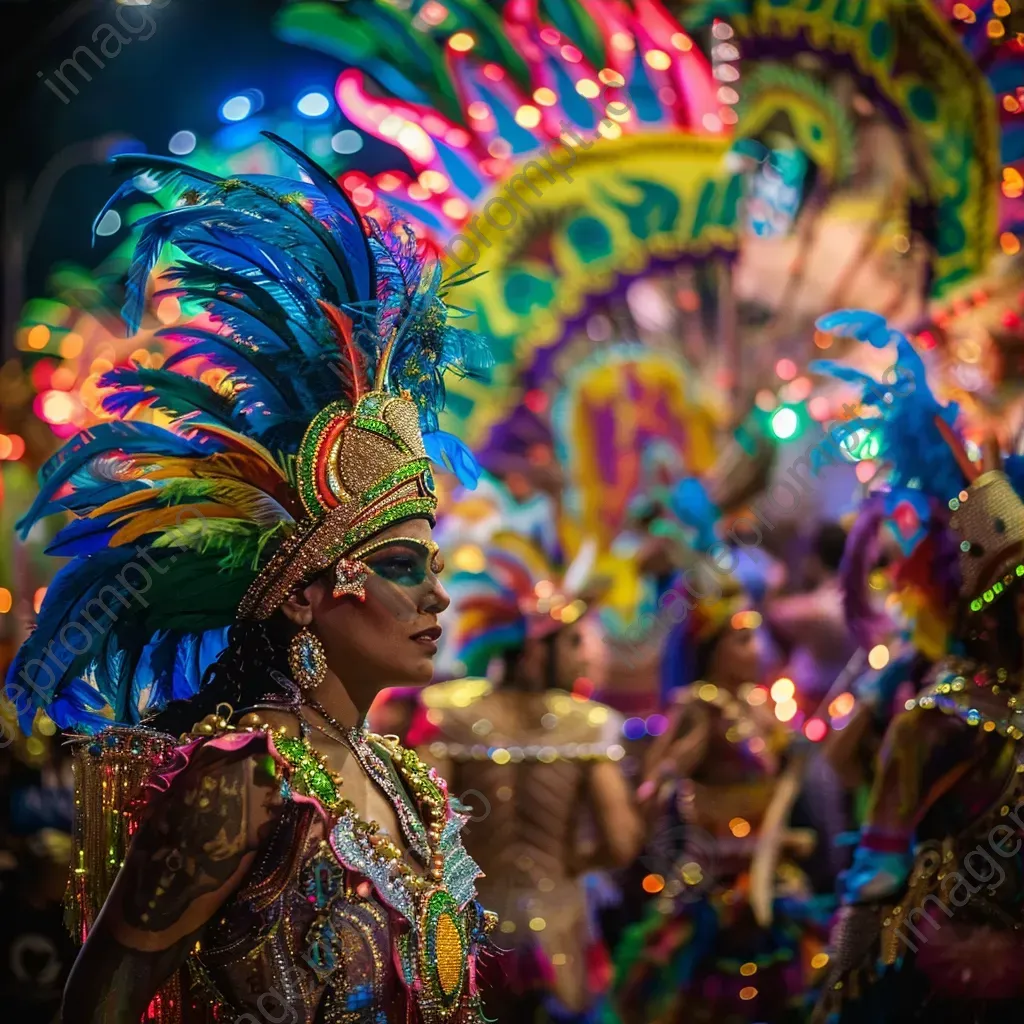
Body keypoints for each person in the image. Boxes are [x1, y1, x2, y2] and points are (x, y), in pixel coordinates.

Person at [4, 134, 498, 1024]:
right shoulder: (244, 782)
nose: (438, 597)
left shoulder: (401, 777)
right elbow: (96, 1008)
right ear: (305, 595)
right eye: (398, 566)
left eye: (433, 568)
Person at [811, 311, 1024, 1022]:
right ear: (989, 613)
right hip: (957, 976)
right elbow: (876, 872)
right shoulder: (937, 714)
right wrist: (842, 993)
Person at [417, 531, 643, 1024]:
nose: (583, 656)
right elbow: (622, 841)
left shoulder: (449, 712)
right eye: (572, 641)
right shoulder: (585, 723)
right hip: (560, 931)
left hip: (473, 936)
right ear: (536, 649)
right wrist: (571, 864)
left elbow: (422, 822)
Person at [612, 561, 824, 1024]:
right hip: (712, 878)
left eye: (756, 637)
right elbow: (661, 777)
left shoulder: (761, 703)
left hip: (771, 876)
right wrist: (666, 775)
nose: (757, 650)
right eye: (743, 639)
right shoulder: (700, 705)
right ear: (713, 649)